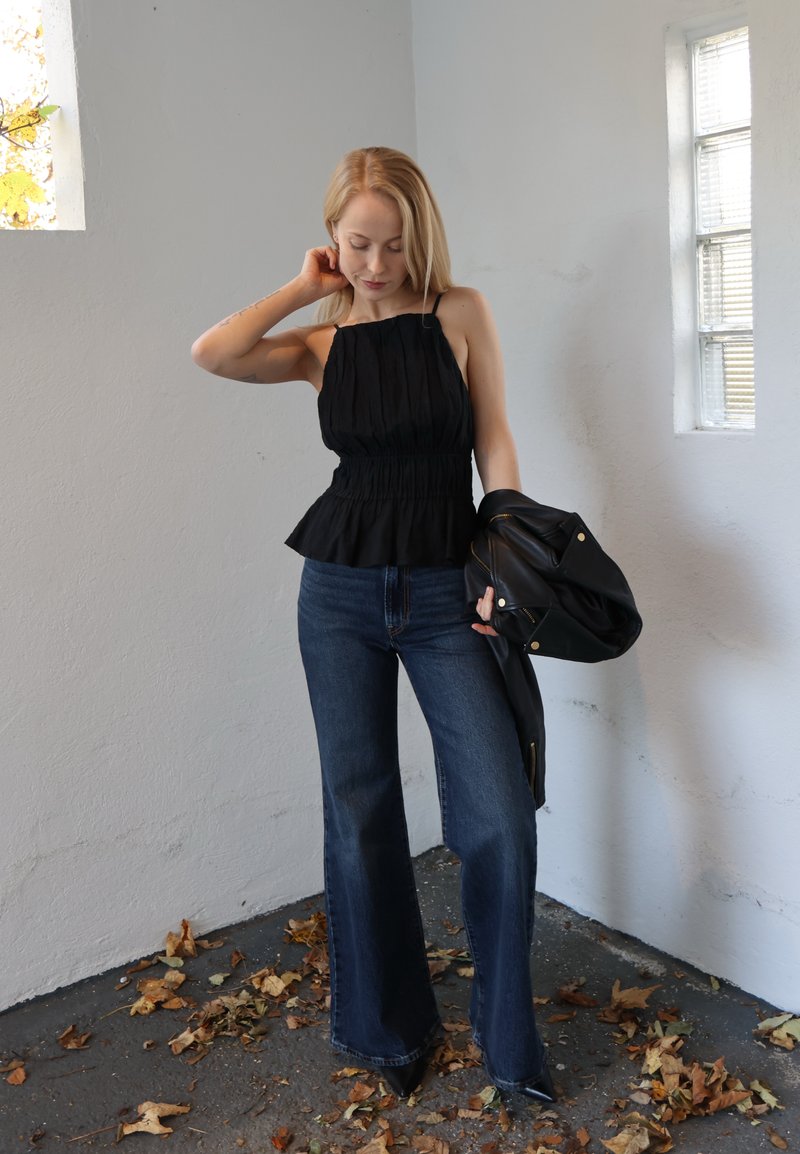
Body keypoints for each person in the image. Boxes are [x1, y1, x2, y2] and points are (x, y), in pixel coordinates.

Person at [191, 146, 555, 1105]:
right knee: (359, 813)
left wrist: (504, 561)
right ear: (331, 240)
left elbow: (496, 440)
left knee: (498, 815)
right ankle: (388, 1031)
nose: (377, 264)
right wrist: (301, 289)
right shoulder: (320, 342)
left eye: (394, 245)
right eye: (358, 244)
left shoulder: (460, 313)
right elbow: (212, 353)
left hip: (446, 592)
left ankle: (509, 1046)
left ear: (419, 238)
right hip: (340, 593)